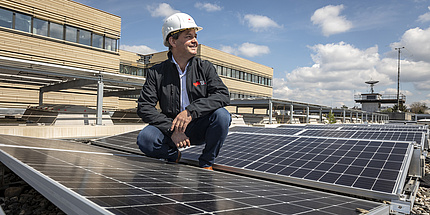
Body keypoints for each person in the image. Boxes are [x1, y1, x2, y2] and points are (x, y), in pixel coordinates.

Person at [136, 13, 231, 170]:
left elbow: (222, 95)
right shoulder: (156, 72)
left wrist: (191, 112)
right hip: (170, 127)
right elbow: (144, 107)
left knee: (222, 116)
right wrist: (172, 130)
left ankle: (206, 163)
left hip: (199, 125)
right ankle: (174, 155)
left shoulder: (205, 67)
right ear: (173, 41)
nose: (195, 41)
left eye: (195, 36)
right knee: (146, 139)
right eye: (189, 36)